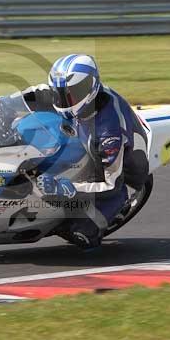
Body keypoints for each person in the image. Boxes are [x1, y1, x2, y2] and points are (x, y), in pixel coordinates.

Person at [23, 54, 149, 249]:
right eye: (61, 93)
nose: (65, 99)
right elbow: (37, 93)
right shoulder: (73, 97)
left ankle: (99, 222)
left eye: (71, 94)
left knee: (81, 234)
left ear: (90, 88)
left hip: (118, 169)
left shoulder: (110, 135)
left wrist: (69, 188)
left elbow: (111, 184)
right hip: (85, 133)